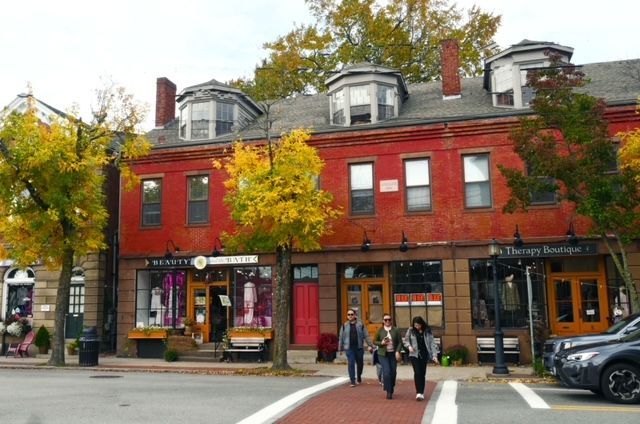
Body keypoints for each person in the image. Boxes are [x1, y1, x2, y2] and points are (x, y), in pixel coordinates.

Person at [403, 316, 439, 401]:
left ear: (422, 324)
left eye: (418, 325)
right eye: (415, 325)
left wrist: (434, 356)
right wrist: (409, 347)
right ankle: (418, 392)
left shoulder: (427, 332)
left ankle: (422, 392)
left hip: (424, 354)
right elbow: (406, 341)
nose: (417, 327)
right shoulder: (411, 331)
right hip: (414, 354)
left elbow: (432, 344)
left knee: (422, 373)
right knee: (417, 372)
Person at [338, 308, 373, 387]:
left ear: (355, 315)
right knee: (351, 363)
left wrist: (370, 345)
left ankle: (359, 376)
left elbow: (366, 335)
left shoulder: (360, 324)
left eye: (351, 314)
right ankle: (352, 380)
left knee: (360, 364)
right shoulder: (344, 326)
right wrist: (340, 348)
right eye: (348, 315)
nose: (350, 316)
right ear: (347, 316)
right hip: (349, 348)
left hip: (359, 347)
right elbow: (341, 337)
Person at [373, 313, 403, 399]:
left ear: (391, 320)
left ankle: (391, 386)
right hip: (383, 354)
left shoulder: (396, 330)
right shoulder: (380, 330)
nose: (387, 321)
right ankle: (388, 391)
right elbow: (374, 341)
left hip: (393, 354)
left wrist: (397, 351)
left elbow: (400, 342)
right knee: (386, 372)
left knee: (393, 372)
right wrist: (381, 343)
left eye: (389, 319)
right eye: (385, 320)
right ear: (383, 321)